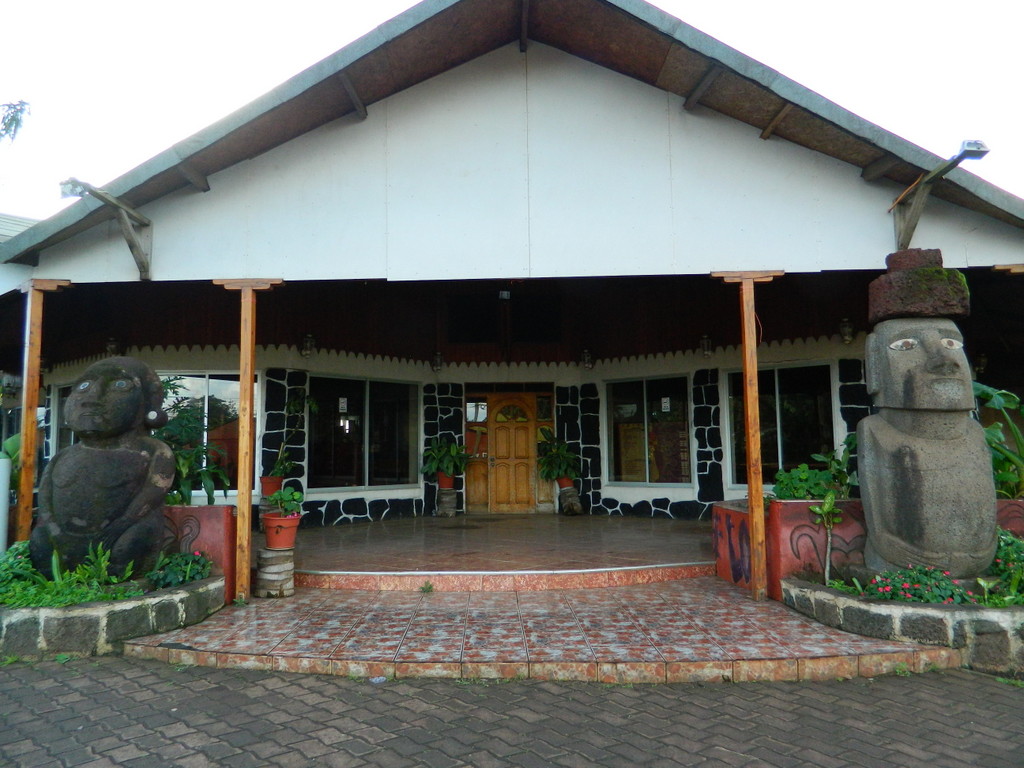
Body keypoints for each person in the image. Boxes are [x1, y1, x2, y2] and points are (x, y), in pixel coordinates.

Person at [858, 317, 996, 576]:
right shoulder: (875, 430)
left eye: (951, 343)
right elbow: (879, 526)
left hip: (977, 561)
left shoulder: (975, 433)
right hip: (903, 562)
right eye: (905, 345)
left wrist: (980, 554)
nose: (944, 360)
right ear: (875, 366)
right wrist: (903, 553)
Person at [29, 357, 174, 578]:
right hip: (62, 538)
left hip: (121, 533)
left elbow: (153, 493)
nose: (92, 398)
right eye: (84, 387)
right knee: (39, 542)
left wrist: (122, 525)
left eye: (120, 386)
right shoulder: (64, 455)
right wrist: (52, 528)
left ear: (149, 403)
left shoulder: (153, 450)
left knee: (130, 545)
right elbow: (45, 496)